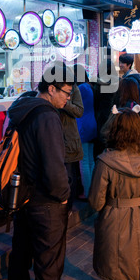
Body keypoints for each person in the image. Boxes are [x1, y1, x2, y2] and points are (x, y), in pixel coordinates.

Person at [6, 62, 73, 280]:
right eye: (66, 93)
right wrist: (63, 197)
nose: (68, 99)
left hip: (22, 197)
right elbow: (54, 167)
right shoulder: (47, 116)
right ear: (52, 88)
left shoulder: (22, 106)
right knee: (48, 269)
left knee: (19, 258)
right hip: (46, 203)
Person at [88, 107, 140, 280]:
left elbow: (96, 201)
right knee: (139, 271)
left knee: (118, 278)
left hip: (114, 221)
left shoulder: (105, 162)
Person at [74, 64, 97, 198]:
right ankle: (93, 190)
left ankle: (88, 193)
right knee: (90, 160)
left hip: (82, 125)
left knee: (83, 162)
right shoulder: (89, 86)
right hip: (91, 123)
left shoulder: (81, 88)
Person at [59, 81, 84, 209]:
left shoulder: (74, 88)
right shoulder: (50, 88)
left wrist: (64, 102)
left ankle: (67, 208)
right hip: (55, 137)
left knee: (69, 175)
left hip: (68, 139)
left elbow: (79, 111)